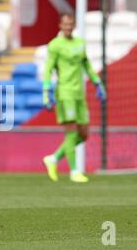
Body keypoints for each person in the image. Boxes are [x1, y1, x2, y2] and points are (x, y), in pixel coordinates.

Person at [42, 13, 106, 183]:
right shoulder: (55, 45)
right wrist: (46, 90)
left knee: (83, 134)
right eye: (65, 24)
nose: (68, 27)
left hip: (79, 94)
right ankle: (74, 171)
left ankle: (54, 158)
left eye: (71, 24)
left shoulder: (80, 44)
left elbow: (87, 65)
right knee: (71, 133)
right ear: (60, 26)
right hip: (65, 93)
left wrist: (97, 83)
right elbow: (48, 69)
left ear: (74, 25)